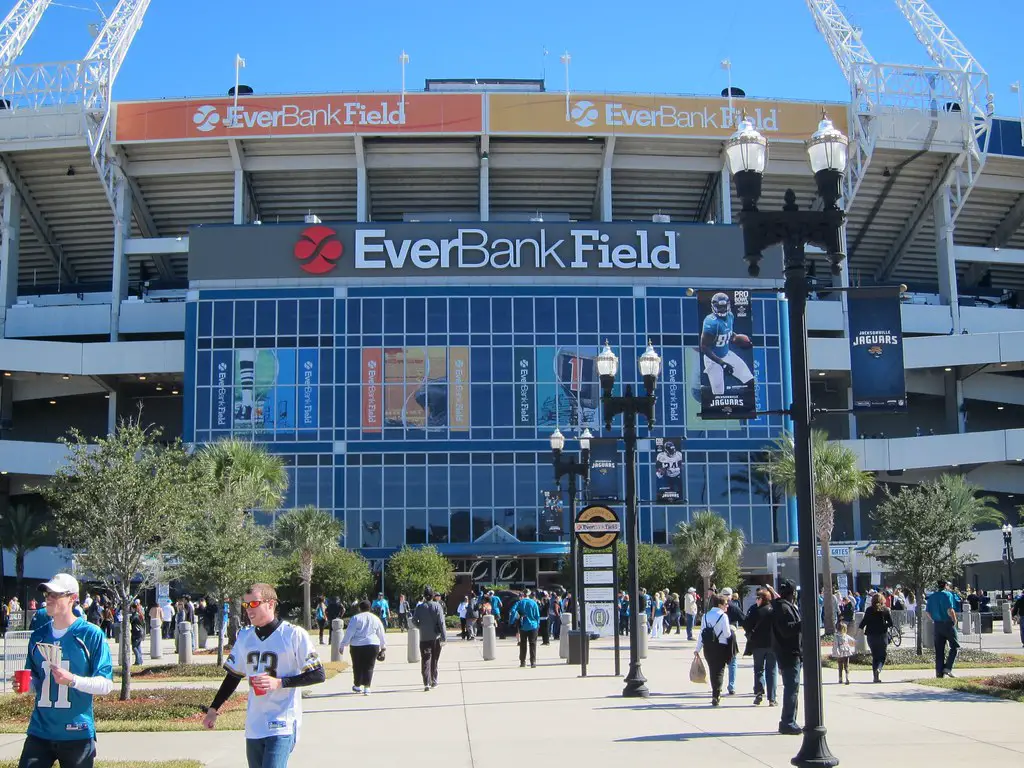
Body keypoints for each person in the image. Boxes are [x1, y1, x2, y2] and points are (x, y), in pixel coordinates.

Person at [204, 583, 326, 768]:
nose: (248, 610)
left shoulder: (293, 634)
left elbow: (318, 674)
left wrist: (279, 682)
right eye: (246, 605)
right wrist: (213, 709)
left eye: (254, 604)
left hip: (282, 722)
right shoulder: (245, 637)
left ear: (270, 604)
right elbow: (233, 677)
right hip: (255, 725)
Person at [16, 573, 113, 768]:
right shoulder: (38, 636)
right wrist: (25, 686)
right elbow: (36, 681)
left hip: (77, 731)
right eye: (47, 593)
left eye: (55, 594)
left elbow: (106, 685)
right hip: (40, 731)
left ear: (72, 598)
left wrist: (73, 680)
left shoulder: (91, 634)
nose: (49, 598)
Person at [699, 291, 755, 397]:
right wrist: (722, 363)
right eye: (719, 307)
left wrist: (738, 338)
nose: (722, 309)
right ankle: (704, 390)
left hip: (726, 354)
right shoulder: (711, 322)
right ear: (713, 307)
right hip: (713, 360)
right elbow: (704, 347)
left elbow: (729, 333)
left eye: (724, 307)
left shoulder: (730, 316)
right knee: (719, 395)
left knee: (750, 379)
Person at [770, 579, 802, 736]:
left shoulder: (783, 606)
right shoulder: (783, 608)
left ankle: (790, 720)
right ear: (792, 593)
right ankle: (787, 721)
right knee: (791, 688)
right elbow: (786, 630)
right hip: (789, 653)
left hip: (789, 652)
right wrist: (803, 624)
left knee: (793, 688)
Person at [694, 594, 736, 707]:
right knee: (720, 671)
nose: (727, 606)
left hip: (708, 647)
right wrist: (732, 631)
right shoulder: (723, 616)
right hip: (720, 646)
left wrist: (697, 648)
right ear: (720, 605)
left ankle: (715, 693)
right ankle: (716, 694)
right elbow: (727, 634)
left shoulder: (706, 616)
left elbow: (702, 634)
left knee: (713, 670)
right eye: (726, 604)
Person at [338, 599, 387, 695]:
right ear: (370, 608)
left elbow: (349, 633)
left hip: (357, 645)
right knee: (369, 666)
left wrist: (343, 644)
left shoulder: (355, 618)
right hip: (372, 644)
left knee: (357, 666)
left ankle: (357, 685)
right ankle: (367, 687)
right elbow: (381, 633)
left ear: (360, 608)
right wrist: (383, 647)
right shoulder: (375, 618)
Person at [743, 586, 777, 706]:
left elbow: (746, 625)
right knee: (771, 670)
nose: (756, 600)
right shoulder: (773, 610)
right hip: (772, 644)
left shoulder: (755, 611)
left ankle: (759, 693)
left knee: (758, 669)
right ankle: (772, 698)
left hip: (758, 645)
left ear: (762, 599)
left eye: (758, 597)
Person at [412, 586, 447, 691]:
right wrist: (444, 637)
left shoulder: (419, 607)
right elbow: (441, 622)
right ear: (433, 596)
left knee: (425, 659)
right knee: (434, 660)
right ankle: (434, 680)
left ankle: (426, 682)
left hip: (423, 637)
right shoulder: (437, 606)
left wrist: (420, 627)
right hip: (435, 637)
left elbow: (414, 621)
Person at [925, 579, 960, 678]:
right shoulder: (947, 595)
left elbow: (927, 612)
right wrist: (954, 620)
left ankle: (939, 673)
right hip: (947, 623)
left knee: (939, 650)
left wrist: (934, 619)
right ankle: (948, 667)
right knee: (955, 646)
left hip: (937, 624)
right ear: (945, 585)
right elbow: (950, 609)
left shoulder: (932, 597)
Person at [859, 592, 894, 683]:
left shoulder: (869, 610)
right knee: (882, 655)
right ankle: (879, 668)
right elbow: (891, 623)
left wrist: (857, 632)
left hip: (871, 636)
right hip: (882, 635)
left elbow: (864, 622)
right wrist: (885, 624)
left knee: (875, 656)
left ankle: (875, 676)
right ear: (882, 600)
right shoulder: (885, 610)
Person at [721, 587, 744, 695]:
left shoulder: (716, 606)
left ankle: (718, 685)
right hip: (731, 635)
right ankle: (731, 685)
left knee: (719, 663)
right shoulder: (734, 607)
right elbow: (744, 620)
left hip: (719, 635)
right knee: (732, 661)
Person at [509, 590, 541, 668]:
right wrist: (538, 624)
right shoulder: (533, 603)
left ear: (523, 594)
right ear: (529, 595)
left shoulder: (519, 603)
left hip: (523, 626)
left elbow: (512, 611)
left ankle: (522, 662)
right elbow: (537, 615)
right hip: (533, 625)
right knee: (532, 644)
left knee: (523, 644)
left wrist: (511, 621)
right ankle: (533, 662)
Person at [832, 621, 854, 685]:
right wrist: (836, 651)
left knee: (846, 666)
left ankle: (847, 678)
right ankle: (841, 678)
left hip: (846, 651)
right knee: (841, 666)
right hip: (841, 651)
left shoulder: (845, 635)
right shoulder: (837, 636)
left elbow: (852, 640)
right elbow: (835, 645)